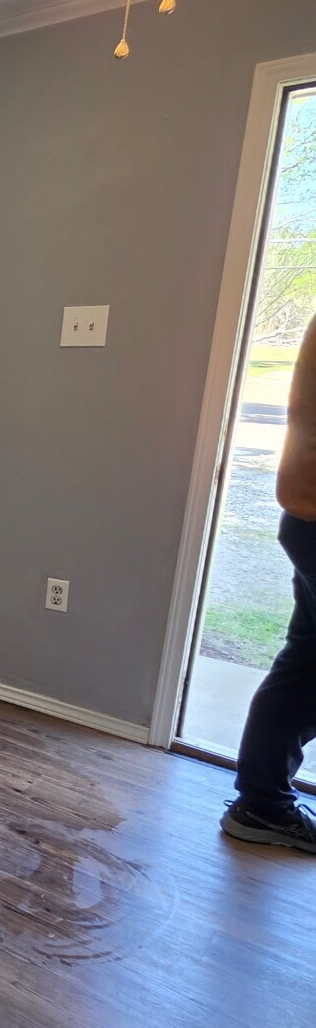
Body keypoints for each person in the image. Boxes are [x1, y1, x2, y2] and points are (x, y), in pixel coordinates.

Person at [222, 312, 316, 852]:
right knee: (308, 667)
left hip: (310, 519)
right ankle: (263, 803)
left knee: (306, 664)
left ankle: (262, 802)